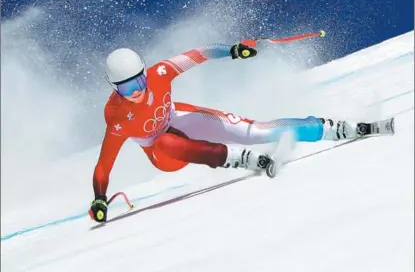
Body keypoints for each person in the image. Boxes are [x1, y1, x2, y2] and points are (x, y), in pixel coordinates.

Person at [89, 41, 394, 222]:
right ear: (115, 89)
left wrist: (233, 50)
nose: (137, 91)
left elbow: (198, 53)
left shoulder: (160, 73)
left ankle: (332, 128)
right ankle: (239, 159)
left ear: (145, 73)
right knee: (167, 142)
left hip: (179, 116)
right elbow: (105, 162)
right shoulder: (117, 116)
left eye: (139, 82)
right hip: (162, 151)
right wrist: (99, 199)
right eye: (127, 88)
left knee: (257, 132)